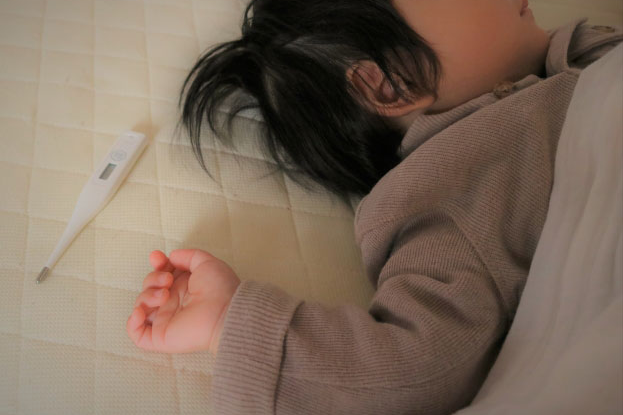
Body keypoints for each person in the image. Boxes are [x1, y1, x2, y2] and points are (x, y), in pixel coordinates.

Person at [126, 0, 623, 413]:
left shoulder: (576, 59)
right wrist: (227, 325)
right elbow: (412, 365)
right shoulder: (449, 189)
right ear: (388, 84)